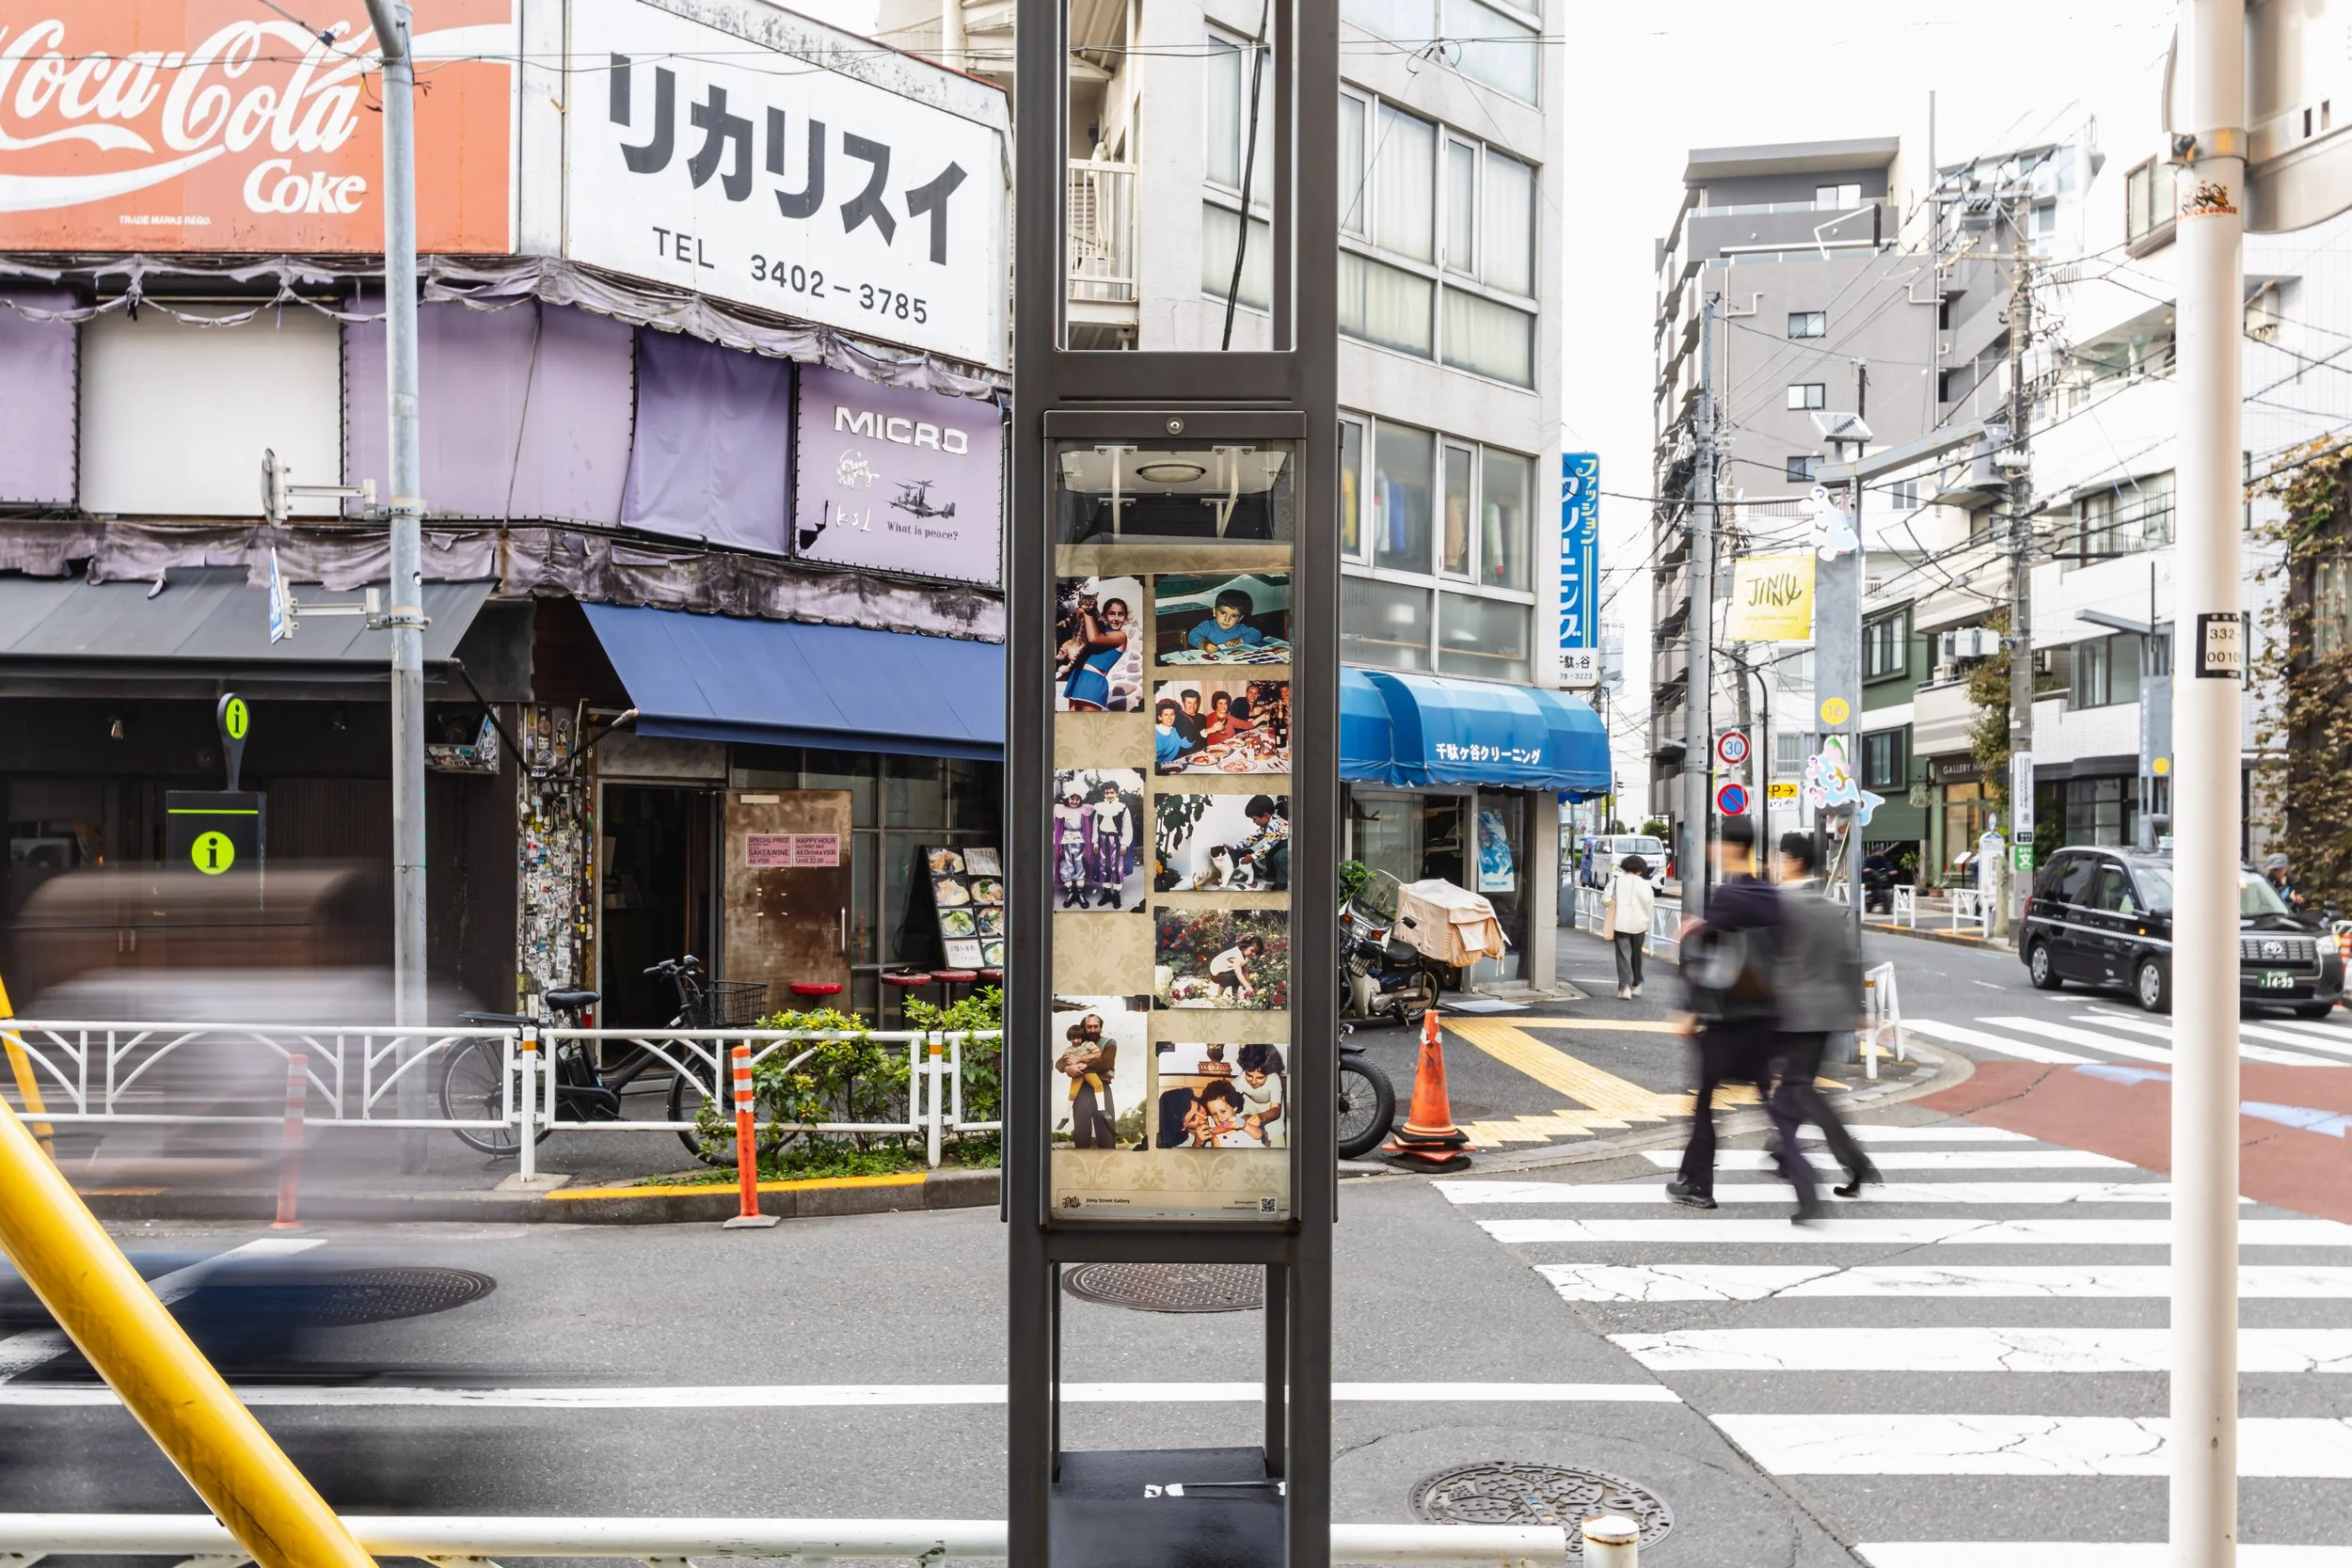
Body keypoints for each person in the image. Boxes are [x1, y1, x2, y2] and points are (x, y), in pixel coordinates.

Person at [1670, 816, 1822, 1222]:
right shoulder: (1771, 896)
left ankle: (1698, 1184)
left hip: (1726, 1022)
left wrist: (1690, 1009)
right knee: (1769, 1104)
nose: (1713, 850)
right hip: (1766, 1021)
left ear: (1732, 847)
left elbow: (1709, 959)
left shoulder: (1728, 896)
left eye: (1718, 843)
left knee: (1704, 1102)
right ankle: (1805, 1184)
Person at [1771, 832, 1878, 1196]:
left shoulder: (1785, 906)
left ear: (1796, 863)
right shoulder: (1831, 907)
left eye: (1783, 860)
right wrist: (1858, 1011)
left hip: (1796, 1013)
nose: (1779, 867)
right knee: (1794, 1087)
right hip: (1828, 1014)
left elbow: (1774, 963)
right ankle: (1783, 1152)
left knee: (1801, 1090)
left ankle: (1855, 1162)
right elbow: (1851, 961)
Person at [1058, 594, 1130, 711]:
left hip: (1093, 680)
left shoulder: (1120, 636)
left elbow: (1094, 639)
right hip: (1078, 676)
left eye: (1121, 614)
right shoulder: (1100, 630)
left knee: (1089, 725)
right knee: (1074, 726)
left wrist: (1086, 611)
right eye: (1112, 613)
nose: (1116, 619)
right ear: (1104, 616)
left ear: (1126, 617)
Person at [1603, 852, 1657, 1000]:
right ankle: (1636, 984)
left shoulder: (1616, 882)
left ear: (1624, 867)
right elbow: (1650, 904)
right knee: (1637, 953)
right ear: (1642, 868)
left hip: (1621, 922)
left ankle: (1624, 987)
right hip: (1640, 923)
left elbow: (1605, 900)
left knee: (1623, 954)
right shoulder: (1646, 885)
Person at [1090, 780, 1134, 909]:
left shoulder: (1122, 808)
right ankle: (1107, 893)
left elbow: (1127, 827)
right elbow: (1095, 825)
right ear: (1104, 794)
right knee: (1104, 865)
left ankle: (1116, 894)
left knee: (1116, 866)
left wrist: (1124, 844)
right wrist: (1095, 842)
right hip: (1103, 839)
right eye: (1107, 793)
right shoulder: (1099, 807)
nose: (1109, 795)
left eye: (1112, 792)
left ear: (1116, 792)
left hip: (1116, 840)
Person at [1186, 588, 1266, 655]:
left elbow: (1257, 634)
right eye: (1223, 613)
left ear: (1240, 618)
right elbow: (1192, 635)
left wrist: (1239, 640)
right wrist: (1203, 644)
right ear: (1214, 611)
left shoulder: (1240, 629)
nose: (1227, 619)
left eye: (1234, 616)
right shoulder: (1207, 626)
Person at [1235, 1042, 1285, 1145]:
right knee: (1238, 1122)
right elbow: (1225, 1099)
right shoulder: (1240, 1081)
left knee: (1277, 1139)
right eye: (1249, 1076)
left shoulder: (1274, 1079)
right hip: (1248, 1109)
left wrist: (1261, 1117)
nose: (1253, 1081)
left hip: (1271, 1111)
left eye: (1260, 1078)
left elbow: (1276, 1110)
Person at [1053, 789, 1092, 909]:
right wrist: (1059, 845)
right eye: (1072, 798)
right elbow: (1057, 829)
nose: (1074, 801)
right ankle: (1070, 891)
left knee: (1079, 864)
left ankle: (1080, 892)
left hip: (1080, 840)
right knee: (1067, 865)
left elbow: (1088, 830)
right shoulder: (1062, 810)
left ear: (1080, 800)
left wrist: (1086, 846)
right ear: (1067, 798)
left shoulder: (1083, 811)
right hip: (1065, 841)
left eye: (1077, 799)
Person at [1207, 933, 1264, 1005]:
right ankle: (1218, 996)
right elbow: (1239, 973)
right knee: (1232, 977)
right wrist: (1247, 986)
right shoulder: (1236, 957)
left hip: (1225, 970)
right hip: (1216, 974)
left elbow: (1245, 972)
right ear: (1244, 947)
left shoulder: (1244, 955)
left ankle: (1235, 995)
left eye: (1256, 952)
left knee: (1236, 978)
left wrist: (1248, 985)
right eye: (1252, 951)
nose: (1254, 954)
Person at [1153, 700, 1189, 768]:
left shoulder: (1173, 730)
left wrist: (1191, 737)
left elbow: (1182, 744)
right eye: (1166, 715)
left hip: (1169, 765)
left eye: (1172, 714)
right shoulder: (1154, 733)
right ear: (1159, 717)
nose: (1169, 718)